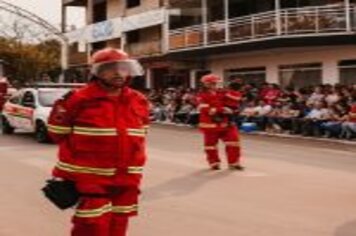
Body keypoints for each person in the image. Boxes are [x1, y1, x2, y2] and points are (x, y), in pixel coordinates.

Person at [47, 48, 149, 236]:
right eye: (111, 68)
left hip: (126, 179)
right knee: (92, 227)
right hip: (90, 180)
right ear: (97, 72)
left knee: (119, 226)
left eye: (123, 68)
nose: (118, 73)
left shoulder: (138, 100)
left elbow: (140, 136)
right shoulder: (77, 99)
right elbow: (56, 134)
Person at [197, 74, 244, 171]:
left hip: (226, 122)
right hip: (210, 124)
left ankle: (234, 163)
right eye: (213, 83)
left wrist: (235, 89)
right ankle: (214, 163)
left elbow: (236, 99)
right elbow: (206, 108)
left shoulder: (222, 92)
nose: (216, 85)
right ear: (207, 84)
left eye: (217, 82)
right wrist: (222, 109)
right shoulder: (202, 95)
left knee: (233, 142)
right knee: (210, 145)